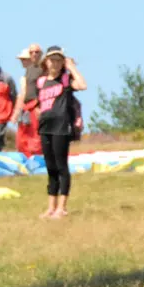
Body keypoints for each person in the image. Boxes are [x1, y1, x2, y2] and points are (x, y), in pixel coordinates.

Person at [36, 46, 87, 219]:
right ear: (46, 62)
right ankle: (51, 207)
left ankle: (62, 208)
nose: (55, 63)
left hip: (61, 127)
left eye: (59, 60)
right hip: (45, 127)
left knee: (61, 166)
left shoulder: (65, 80)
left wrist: (72, 67)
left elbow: (82, 85)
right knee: (50, 168)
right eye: (52, 59)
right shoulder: (41, 82)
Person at [12, 44, 45, 156]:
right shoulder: (29, 70)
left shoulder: (43, 68)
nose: (34, 54)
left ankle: (37, 157)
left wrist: (40, 106)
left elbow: (45, 88)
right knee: (23, 134)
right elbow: (24, 92)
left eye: (36, 52)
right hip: (27, 106)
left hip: (36, 104)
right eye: (31, 52)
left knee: (35, 135)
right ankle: (25, 156)